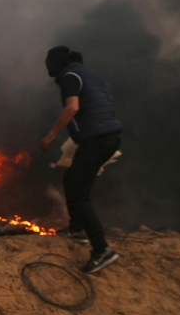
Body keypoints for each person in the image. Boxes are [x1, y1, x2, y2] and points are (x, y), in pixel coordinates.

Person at [40, 46, 123, 273]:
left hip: (97, 141)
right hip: (110, 138)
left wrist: (50, 136)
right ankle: (76, 230)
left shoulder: (70, 76)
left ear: (57, 63)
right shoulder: (92, 76)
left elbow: (72, 107)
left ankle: (102, 250)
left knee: (80, 193)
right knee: (71, 180)